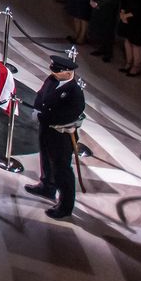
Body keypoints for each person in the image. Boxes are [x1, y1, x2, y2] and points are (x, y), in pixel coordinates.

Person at [24, 53, 86, 220]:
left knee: (62, 169)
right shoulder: (52, 80)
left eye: (58, 71)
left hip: (61, 134)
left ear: (68, 72)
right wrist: (37, 110)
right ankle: (47, 186)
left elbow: (67, 115)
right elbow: (41, 94)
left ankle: (65, 205)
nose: (54, 72)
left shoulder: (74, 92)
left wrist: (42, 117)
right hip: (47, 129)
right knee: (45, 158)